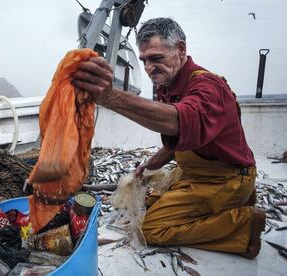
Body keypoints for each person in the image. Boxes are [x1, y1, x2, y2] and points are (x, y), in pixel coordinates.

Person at [72, 17, 266, 259]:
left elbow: (181, 120)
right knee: (151, 202)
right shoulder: (169, 85)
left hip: (226, 177)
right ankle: (225, 205)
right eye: (144, 60)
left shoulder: (208, 87)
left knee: (150, 229)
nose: (149, 67)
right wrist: (151, 164)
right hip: (196, 172)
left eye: (156, 58)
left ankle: (243, 224)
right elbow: (182, 137)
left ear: (181, 49)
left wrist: (112, 97)